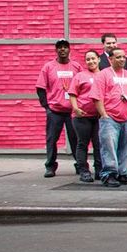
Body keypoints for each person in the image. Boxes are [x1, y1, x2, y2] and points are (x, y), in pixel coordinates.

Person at [91, 48, 127, 187]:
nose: (122, 59)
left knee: (125, 146)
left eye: (124, 57)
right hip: (110, 117)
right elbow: (97, 96)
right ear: (110, 59)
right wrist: (104, 115)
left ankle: (122, 172)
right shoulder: (103, 75)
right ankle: (109, 174)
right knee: (109, 147)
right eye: (118, 57)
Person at [36, 39, 82, 178]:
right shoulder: (48, 67)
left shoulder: (76, 66)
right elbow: (40, 88)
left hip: (72, 111)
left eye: (65, 47)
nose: (62, 50)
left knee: (76, 139)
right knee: (52, 139)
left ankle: (80, 165)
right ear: (56, 50)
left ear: (69, 50)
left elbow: (83, 86)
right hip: (55, 110)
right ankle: (50, 166)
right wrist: (47, 107)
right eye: (60, 48)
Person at [68, 50, 103, 182]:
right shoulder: (80, 76)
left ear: (99, 59)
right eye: (88, 59)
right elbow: (72, 94)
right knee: (82, 144)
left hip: (99, 117)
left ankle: (99, 170)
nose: (91, 61)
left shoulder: (104, 75)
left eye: (93, 58)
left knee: (98, 144)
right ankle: (84, 171)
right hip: (82, 116)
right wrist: (76, 109)